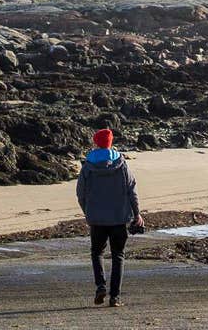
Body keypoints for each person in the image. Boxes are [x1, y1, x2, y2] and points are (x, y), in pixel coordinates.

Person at [76, 129, 143, 307]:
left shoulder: (88, 166)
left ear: (96, 143)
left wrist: (88, 212)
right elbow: (132, 190)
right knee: (118, 256)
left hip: (97, 219)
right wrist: (137, 214)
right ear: (111, 143)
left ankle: (100, 286)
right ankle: (115, 297)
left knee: (97, 253)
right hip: (119, 218)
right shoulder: (121, 164)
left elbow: (80, 194)